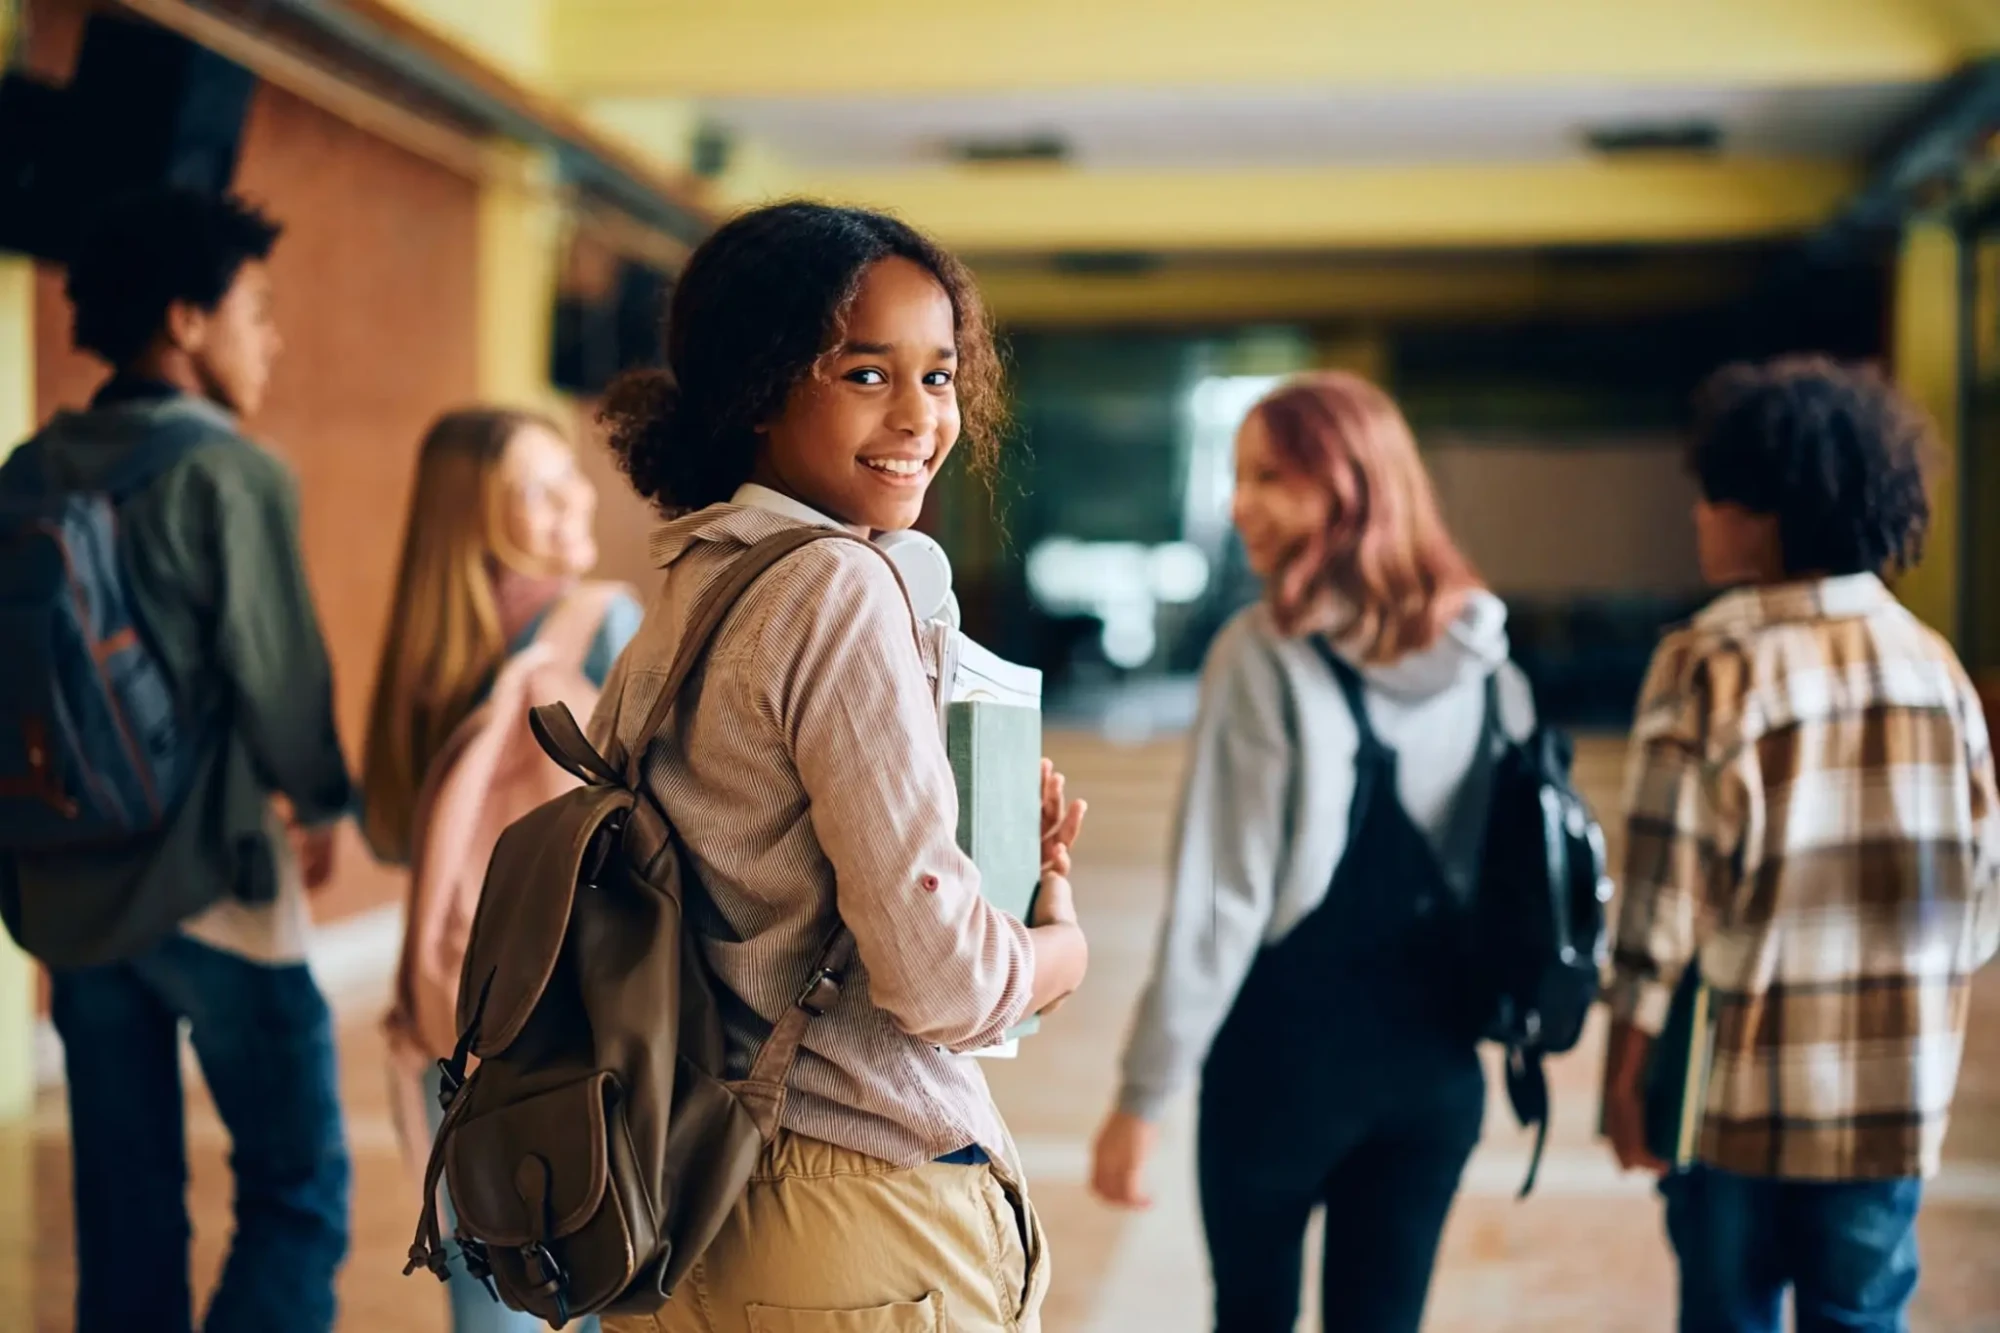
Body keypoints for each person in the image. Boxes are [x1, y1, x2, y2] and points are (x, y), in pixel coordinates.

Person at [587, 200, 1088, 1333]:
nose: (919, 417)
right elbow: (942, 984)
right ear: (761, 387)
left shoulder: (692, 585)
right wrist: (1056, 944)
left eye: (940, 376)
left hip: (681, 1194)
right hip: (854, 1215)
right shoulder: (837, 589)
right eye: (866, 374)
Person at [1091, 372, 1532, 1333]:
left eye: (1269, 477)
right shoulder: (1490, 658)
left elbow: (1221, 903)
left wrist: (1142, 1095)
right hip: (1438, 1073)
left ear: (1346, 487)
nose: (1236, 503)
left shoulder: (1263, 654)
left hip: (1281, 1072)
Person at [0, 190, 352, 1331]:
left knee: (125, 1202)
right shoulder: (231, 472)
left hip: (66, 880)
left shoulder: (32, 467)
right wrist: (327, 801)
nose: (271, 337)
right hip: (215, 879)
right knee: (297, 1195)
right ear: (185, 321)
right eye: (255, 309)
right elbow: (279, 677)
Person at [1601, 357, 2000, 1333]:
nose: (1697, 516)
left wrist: (1623, 1066)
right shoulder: (1931, 665)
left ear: (1767, 508)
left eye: (1713, 496)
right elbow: (1979, 899)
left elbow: (1660, 900)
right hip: (1892, 1105)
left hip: (1740, 1103)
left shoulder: (1708, 659)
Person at [361, 407, 641, 1333]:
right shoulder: (601, 624)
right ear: (471, 513)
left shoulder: (425, 661)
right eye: (536, 485)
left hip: (452, 1023)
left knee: (492, 1301)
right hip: (569, 1025)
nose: (572, 499)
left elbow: (397, 834)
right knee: (594, 1280)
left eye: (568, 475)